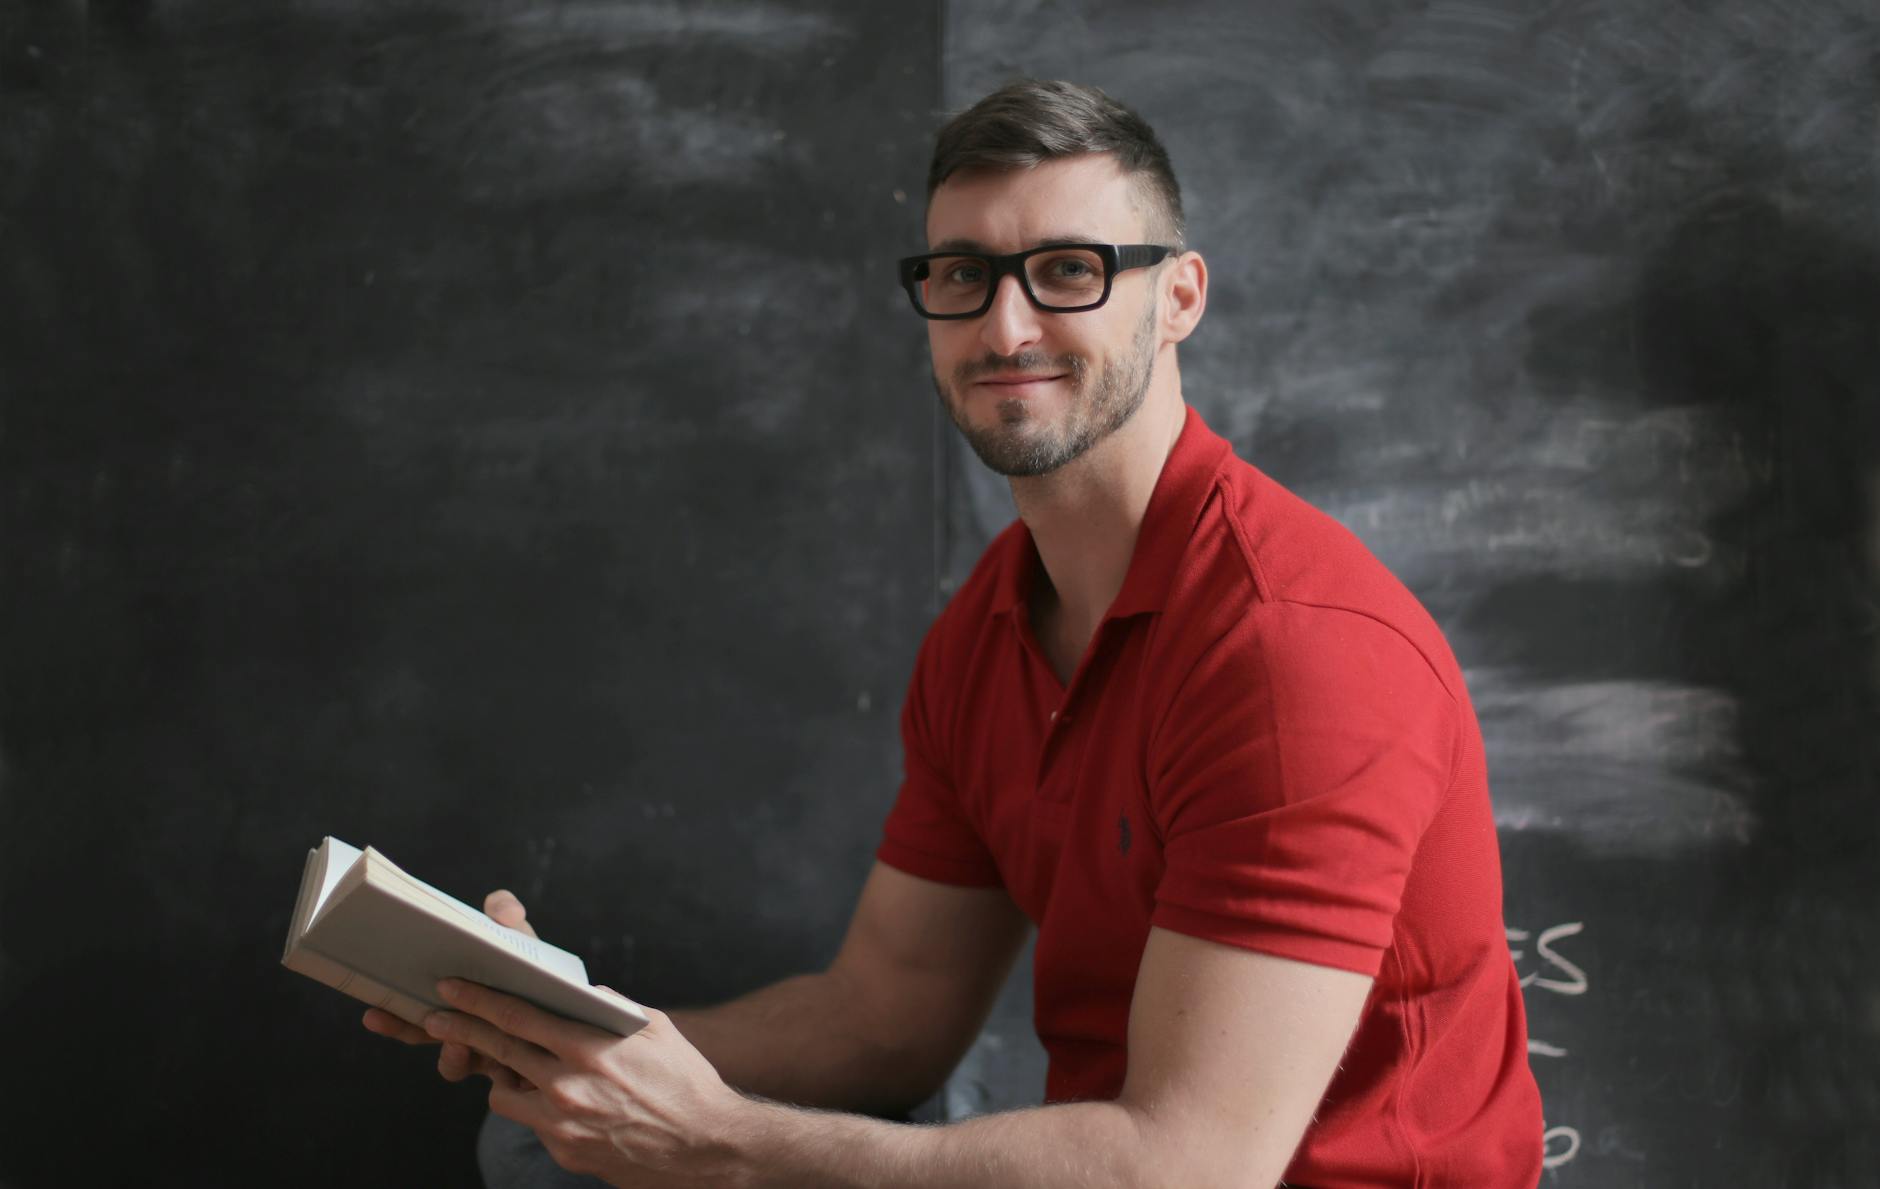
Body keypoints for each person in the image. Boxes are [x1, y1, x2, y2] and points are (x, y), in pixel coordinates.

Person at [366, 79, 1544, 1187]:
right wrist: (563, 1029)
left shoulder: (1292, 652)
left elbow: (1190, 1166)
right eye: (961, 276)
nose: (1004, 324)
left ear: (1178, 294)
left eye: (1068, 270)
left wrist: (721, 1141)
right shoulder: (988, 628)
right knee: (533, 1145)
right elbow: (882, 1016)